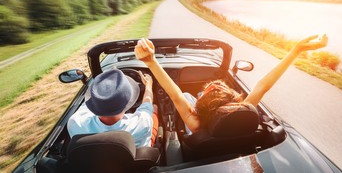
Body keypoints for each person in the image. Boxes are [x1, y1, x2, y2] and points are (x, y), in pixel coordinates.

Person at [135, 35, 328, 134]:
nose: (212, 86)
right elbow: (263, 86)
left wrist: (151, 61)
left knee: (186, 97)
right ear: (232, 101)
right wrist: (296, 50)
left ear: (200, 106)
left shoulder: (196, 124)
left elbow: (176, 94)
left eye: (205, 92)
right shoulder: (243, 109)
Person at [67, 68, 158, 147]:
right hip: (136, 162)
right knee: (154, 108)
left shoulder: (75, 123)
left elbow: (87, 103)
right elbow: (147, 103)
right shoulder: (143, 122)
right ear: (129, 100)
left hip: (98, 164)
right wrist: (148, 85)